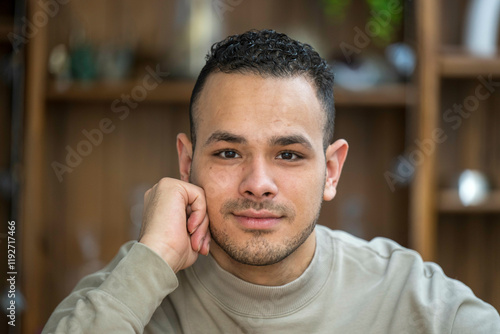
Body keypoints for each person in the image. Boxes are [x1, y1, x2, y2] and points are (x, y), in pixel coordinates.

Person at [43, 29, 499, 334]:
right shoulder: (130, 291)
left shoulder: (413, 298)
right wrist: (154, 258)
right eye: (228, 152)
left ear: (332, 170)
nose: (258, 183)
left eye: (288, 154)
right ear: (186, 163)